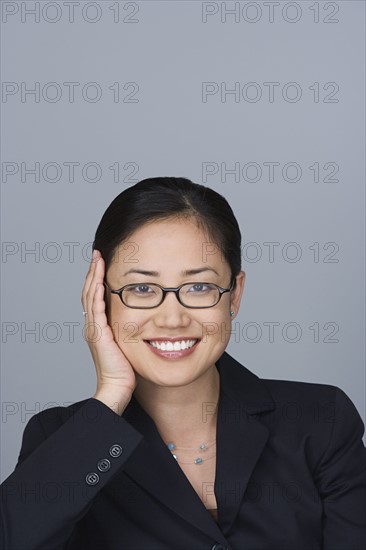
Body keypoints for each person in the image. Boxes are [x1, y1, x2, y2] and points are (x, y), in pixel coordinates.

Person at [1, 177, 365, 550]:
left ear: (234, 295)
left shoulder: (322, 421)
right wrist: (111, 394)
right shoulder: (64, 437)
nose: (171, 318)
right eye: (141, 289)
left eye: (199, 287)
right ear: (101, 298)